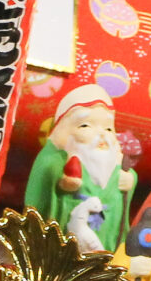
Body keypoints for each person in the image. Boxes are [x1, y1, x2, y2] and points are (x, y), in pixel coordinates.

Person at [22, 82, 133, 250]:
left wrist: (130, 180)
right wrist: (57, 178)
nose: (101, 134)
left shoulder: (116, 162)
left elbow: (126, 179)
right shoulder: (58, 158)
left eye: (108, 128)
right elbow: (45, 168)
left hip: (106, 233)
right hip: (68, 233)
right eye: (86, 125)